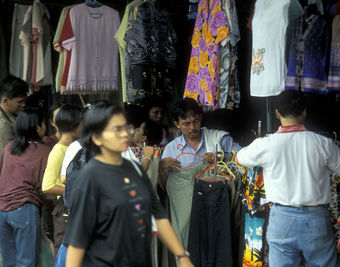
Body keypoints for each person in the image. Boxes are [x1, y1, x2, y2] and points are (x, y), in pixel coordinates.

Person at [236, 90, 340, 266]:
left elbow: (238, 158)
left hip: (281, 219)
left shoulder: (265, 145)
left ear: (277, 113)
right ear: (305, 111)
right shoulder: (324, 143)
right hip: (316, 218)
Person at [63, 103, 194, 267]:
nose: (125, 134)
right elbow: (77, 242)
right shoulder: (90, 178)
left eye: (125, 127)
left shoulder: (134, 170)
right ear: (97, 137)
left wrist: (182, 256)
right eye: (116, 129)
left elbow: (158, 215)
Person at [0, 108, 51, 267]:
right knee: (27, 262)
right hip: (25, 209)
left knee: (9, 263)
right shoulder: (44, 151)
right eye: (44, 123)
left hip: (2, 210)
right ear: (37, 127)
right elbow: (47, 188)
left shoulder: (9, 147)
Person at [160, 98, 241, 185]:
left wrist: (221, 157)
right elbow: (165, 188)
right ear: (177, 124)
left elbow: (244, 157)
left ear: (201, 117)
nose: (192, 127)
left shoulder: (219, 139)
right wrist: (160, 168)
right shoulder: (171, 149)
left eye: (196, 121)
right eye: (186, 124)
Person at [42, 103, 82, 254]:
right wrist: (77, 189)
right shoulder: (58, 150)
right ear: (74, 124)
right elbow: (48, 185)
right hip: (64, 208)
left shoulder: (73, 148)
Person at [0, 75, 28, 156]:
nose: (23, 105)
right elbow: (5, 158)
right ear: (5, 100)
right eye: (20, 102)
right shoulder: (3, 125)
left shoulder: (12, 114)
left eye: (25, 101)